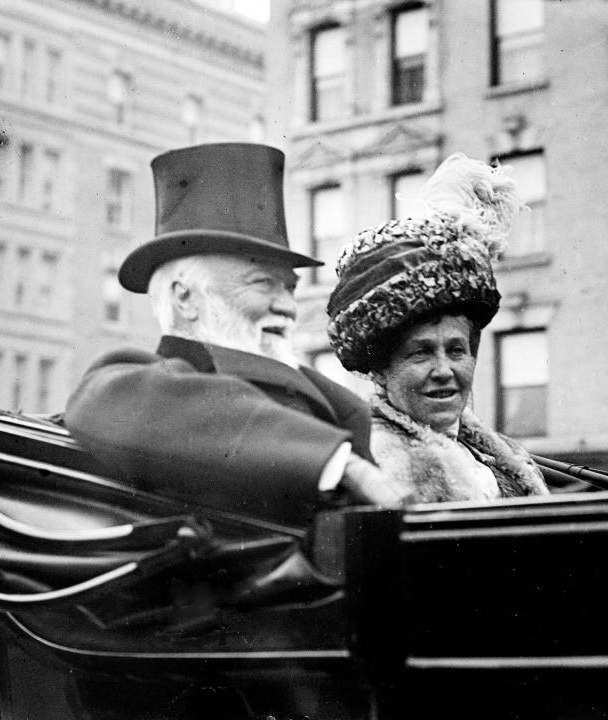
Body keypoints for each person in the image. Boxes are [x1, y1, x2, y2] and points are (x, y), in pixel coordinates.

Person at [64, 143, 411, 529]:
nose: (287, 306)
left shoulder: (333, 399)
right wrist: (338, 463)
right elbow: (112, 402)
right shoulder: (136, 380)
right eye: (263, 284)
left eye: (290, 288)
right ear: (185, 298)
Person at [326, 153, 550, 503]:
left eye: (457, 350)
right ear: (381, 371)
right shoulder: (377, 469)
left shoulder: (491, 457)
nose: (444, 370)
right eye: (421, 352)